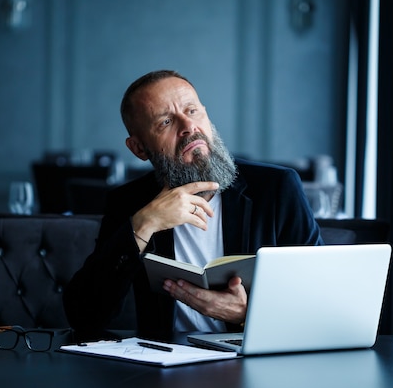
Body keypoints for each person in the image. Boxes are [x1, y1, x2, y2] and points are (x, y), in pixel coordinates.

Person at [63, 70, 323, 339]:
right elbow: (84, 316)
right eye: (165, 122)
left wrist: (248, 314)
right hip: (165, 371)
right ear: (139, 148)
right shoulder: (131, 203)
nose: (188, 126)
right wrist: (144, 224)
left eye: (192, 110)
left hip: (256, 364)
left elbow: (320, 300)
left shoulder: (276, 188)